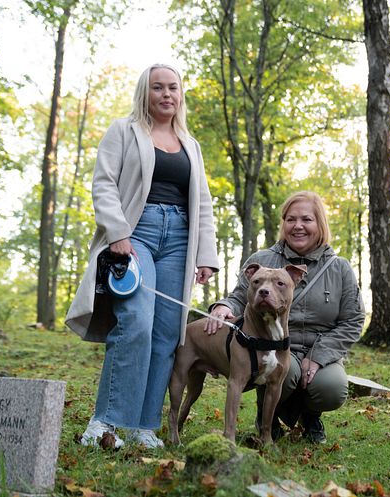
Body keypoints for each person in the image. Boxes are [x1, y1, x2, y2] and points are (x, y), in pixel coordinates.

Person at [66, 63, 219, 449]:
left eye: (173, 88)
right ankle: (105, 423)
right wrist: (117, 232)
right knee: (136, 320)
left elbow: (202, 202)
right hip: (138, 233)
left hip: (180, 239)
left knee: (167, 334)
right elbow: (103, 183)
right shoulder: (123, 130)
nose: (166, 94)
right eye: (157, 88)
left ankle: (143, 426)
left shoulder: (192, 144)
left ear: (180, 94)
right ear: (144, 93)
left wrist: (206, 255)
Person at [205, 191, 364, 444]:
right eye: (291, 219)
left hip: (317, 350)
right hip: (269, 347)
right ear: (283, 224)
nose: (298, 226)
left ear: (320, 224)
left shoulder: (339, 268)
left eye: (306, 219)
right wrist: (224, 306)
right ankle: (268, 417)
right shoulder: (262, 259)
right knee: (285, 373)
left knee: (331, 388)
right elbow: (239, 296)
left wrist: (319, 356)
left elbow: (353, 320)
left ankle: (310, 416)